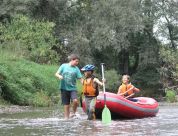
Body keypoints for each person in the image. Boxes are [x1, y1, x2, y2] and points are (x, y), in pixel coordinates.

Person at [55, 54, 83, 119]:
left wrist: (84, 84)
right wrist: (59, 76)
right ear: (72, 60)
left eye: (78, 62)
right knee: (66, 105)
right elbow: (56, 73)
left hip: (73, 88)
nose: (77, 63)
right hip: (64, 88)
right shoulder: (63, 66)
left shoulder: (76, 69)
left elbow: (81, 78)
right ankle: (66, 119)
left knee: (75, 101)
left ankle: (73, 112)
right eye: (76, 61)